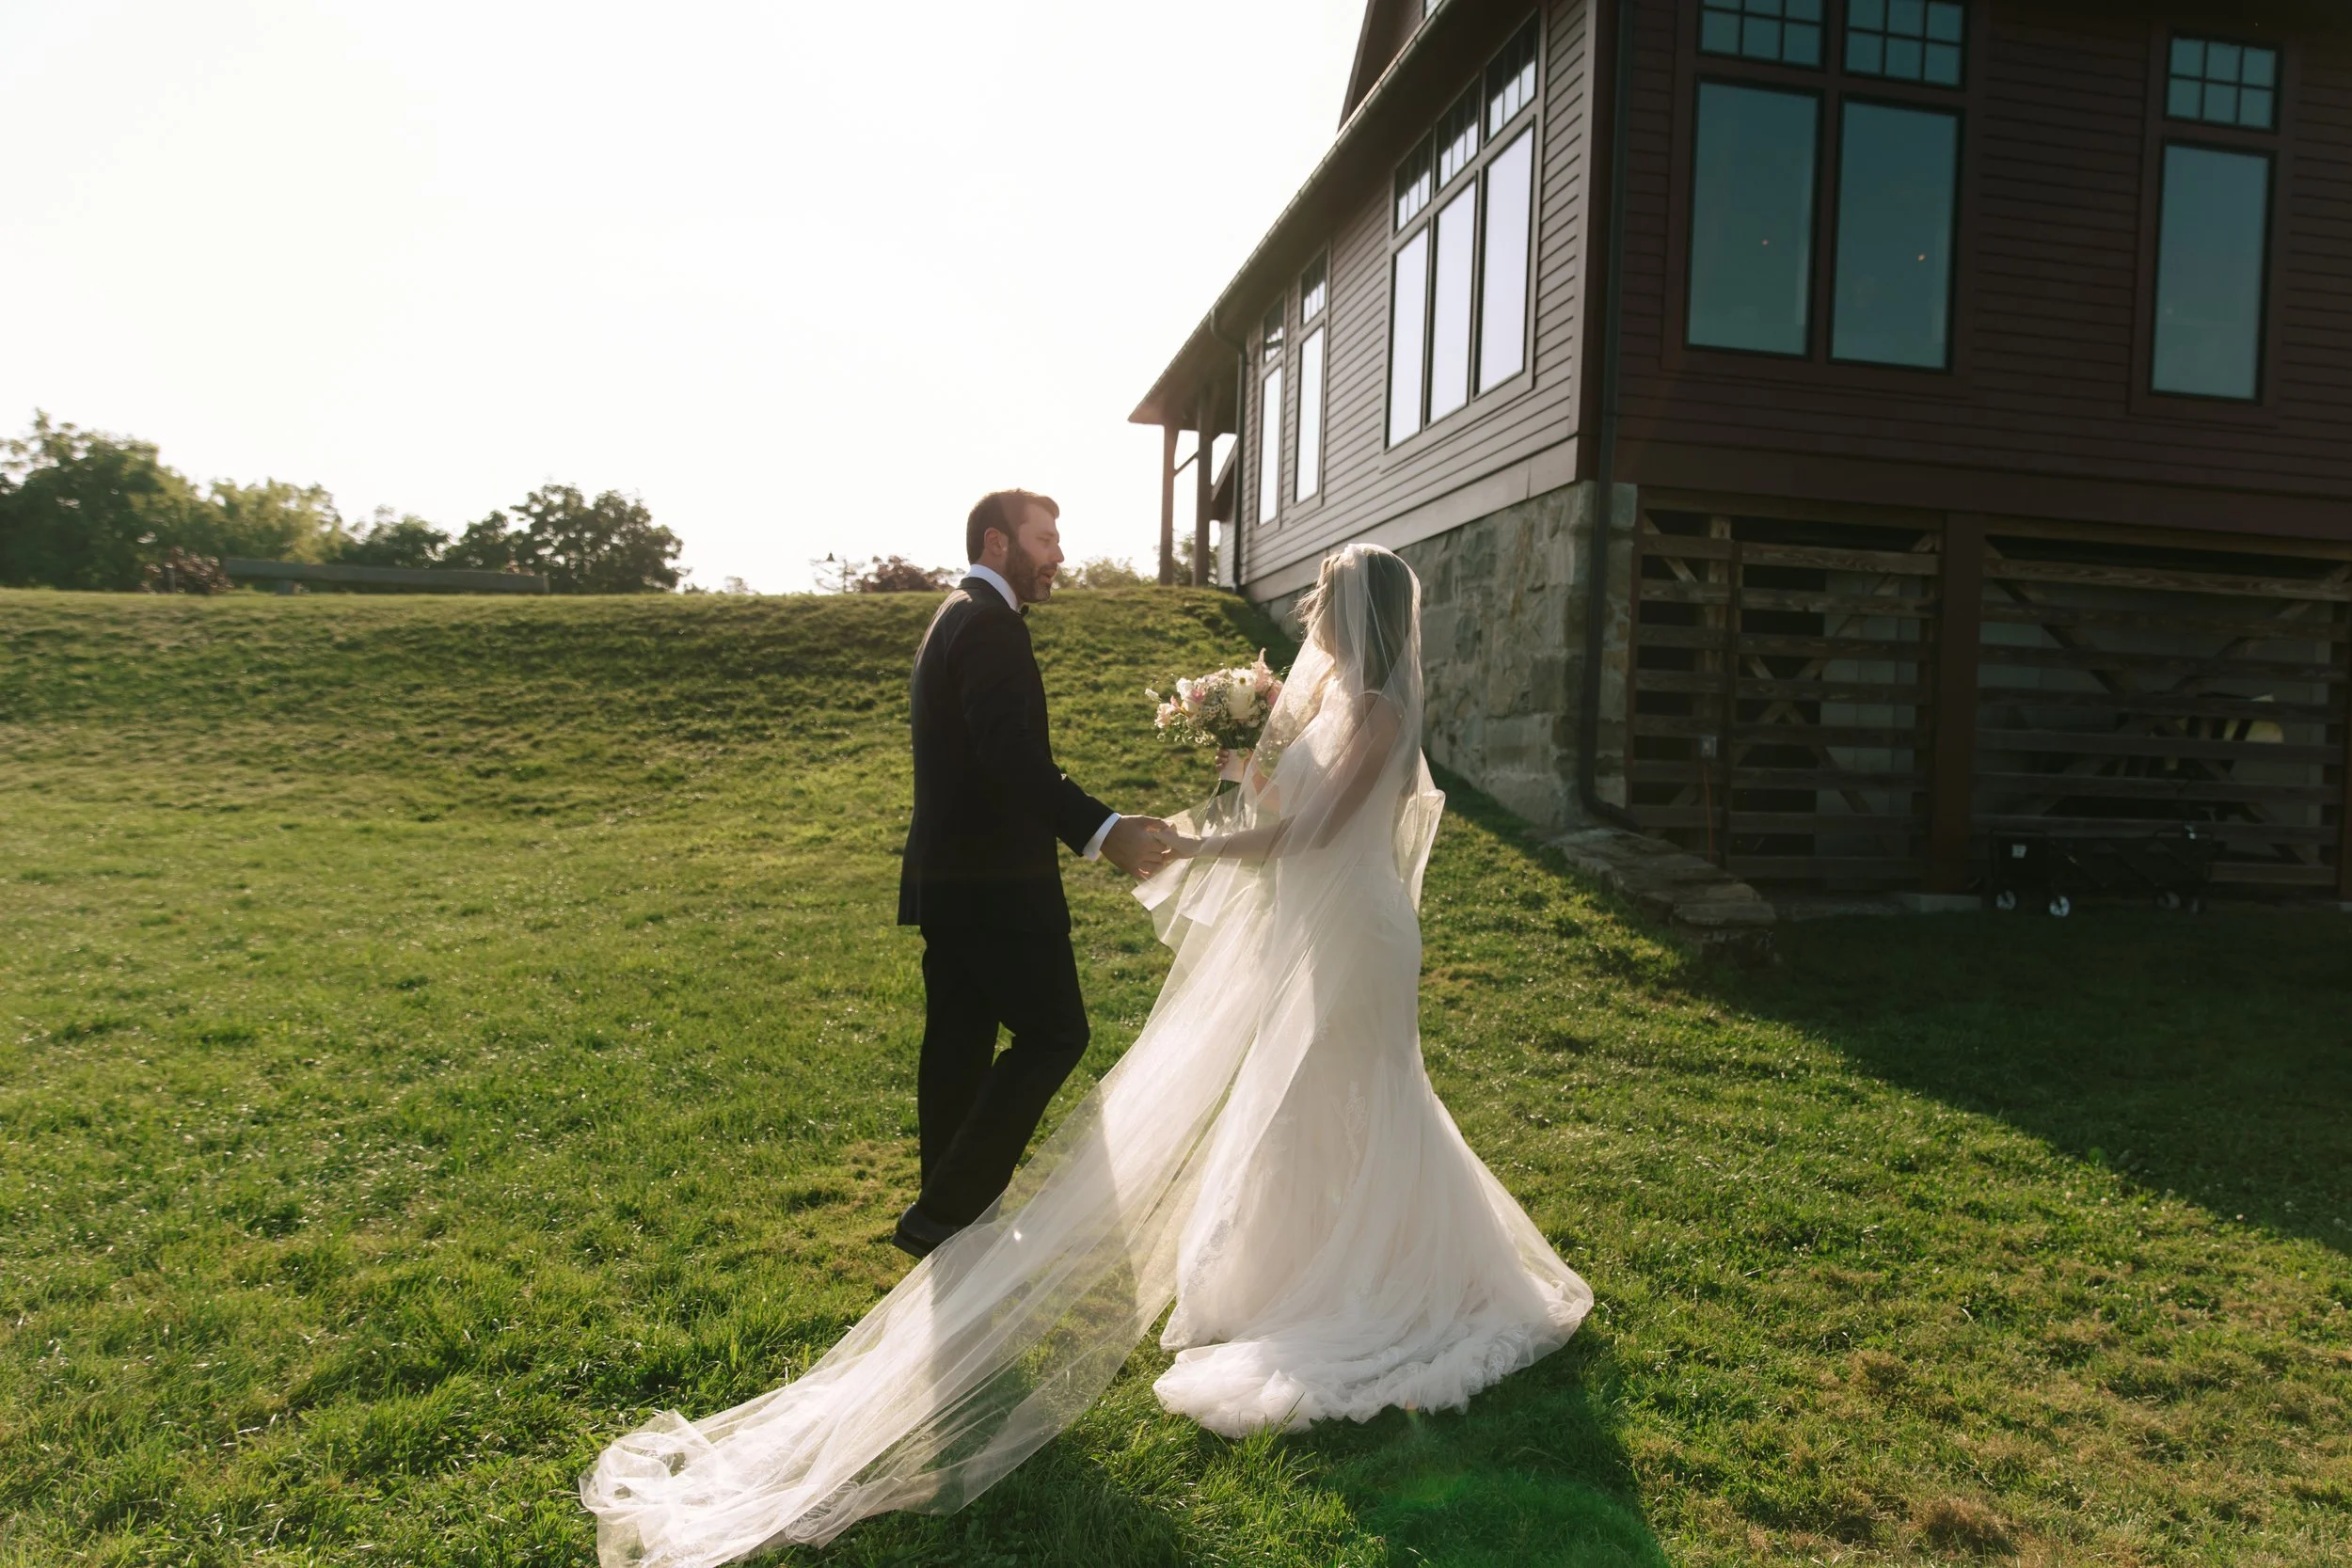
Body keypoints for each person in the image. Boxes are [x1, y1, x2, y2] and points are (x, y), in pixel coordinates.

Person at [582, 542, 1591, 1567]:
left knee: (1367, 1092)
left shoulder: (1376, 711)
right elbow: (1280, 811)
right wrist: (1234, 768)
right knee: (1300, 1101)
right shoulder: (1318, 704)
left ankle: (1397, 1276)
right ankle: (1311, 1271)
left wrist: (1193, 843)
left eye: (1324, 596)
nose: (1308, 607)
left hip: (1359, 933)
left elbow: (1314, 836)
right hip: (1309, 930)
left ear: (1358, 610)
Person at [891, 488, 1171, 1259]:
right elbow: (1010, 756)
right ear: (996, 543)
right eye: (1044, 538)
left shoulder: (956, 613)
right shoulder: (988, 623)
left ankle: (951, 1219)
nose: (1058, 555)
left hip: (953, 881)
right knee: (1055, 1033)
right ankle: (946, 1209)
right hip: (995, 886)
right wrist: (1104, 831)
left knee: (960, 1040)